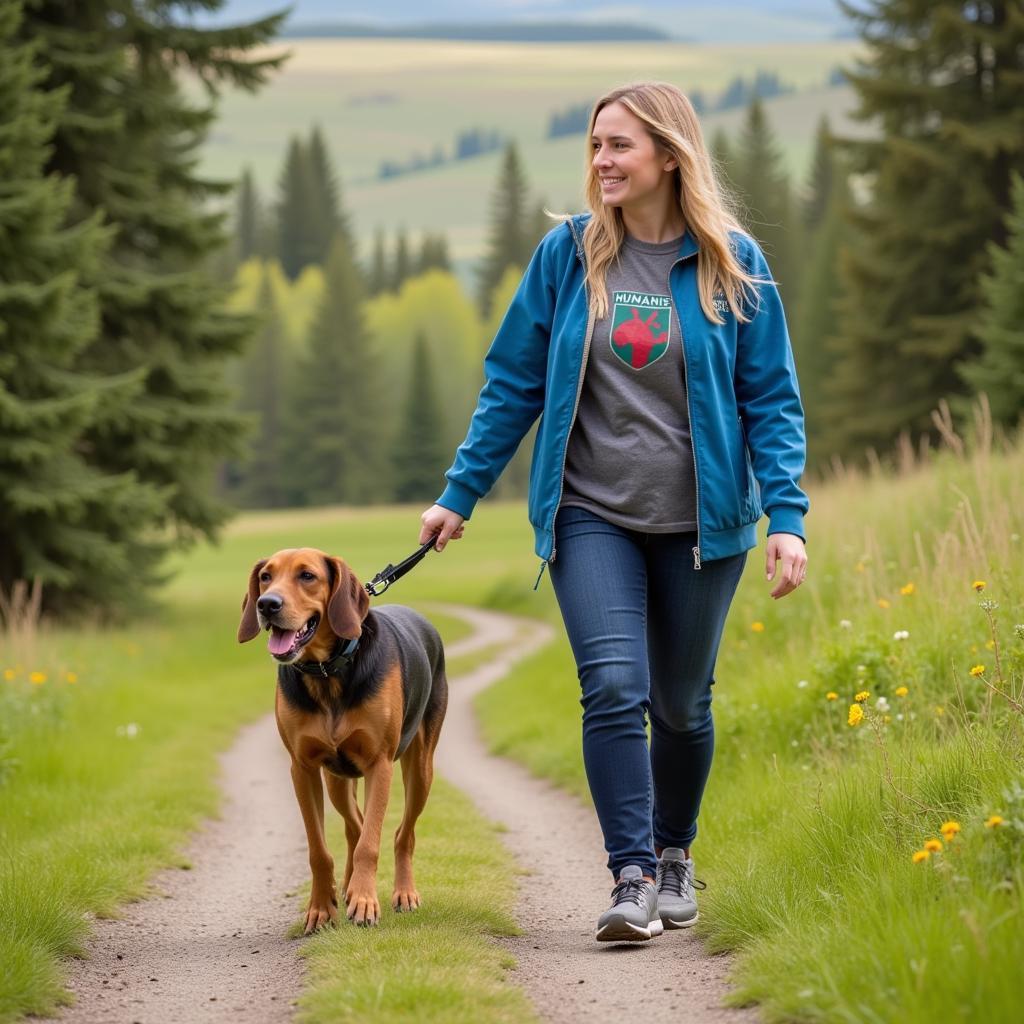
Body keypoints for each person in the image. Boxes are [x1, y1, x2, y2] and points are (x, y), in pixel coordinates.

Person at [419, 81, 808, 943]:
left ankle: (675, 857)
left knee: (680, 703)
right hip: (591, 512)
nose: (601, 163)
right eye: (595, 146)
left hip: (703, 527)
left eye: (619, 146)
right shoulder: (567, 254)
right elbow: (514, 380)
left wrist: (786, 515)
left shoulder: (732, 263)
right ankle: (630, 877)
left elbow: (772, 399)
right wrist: (461, 491)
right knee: (613, 689)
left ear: (670, 154)